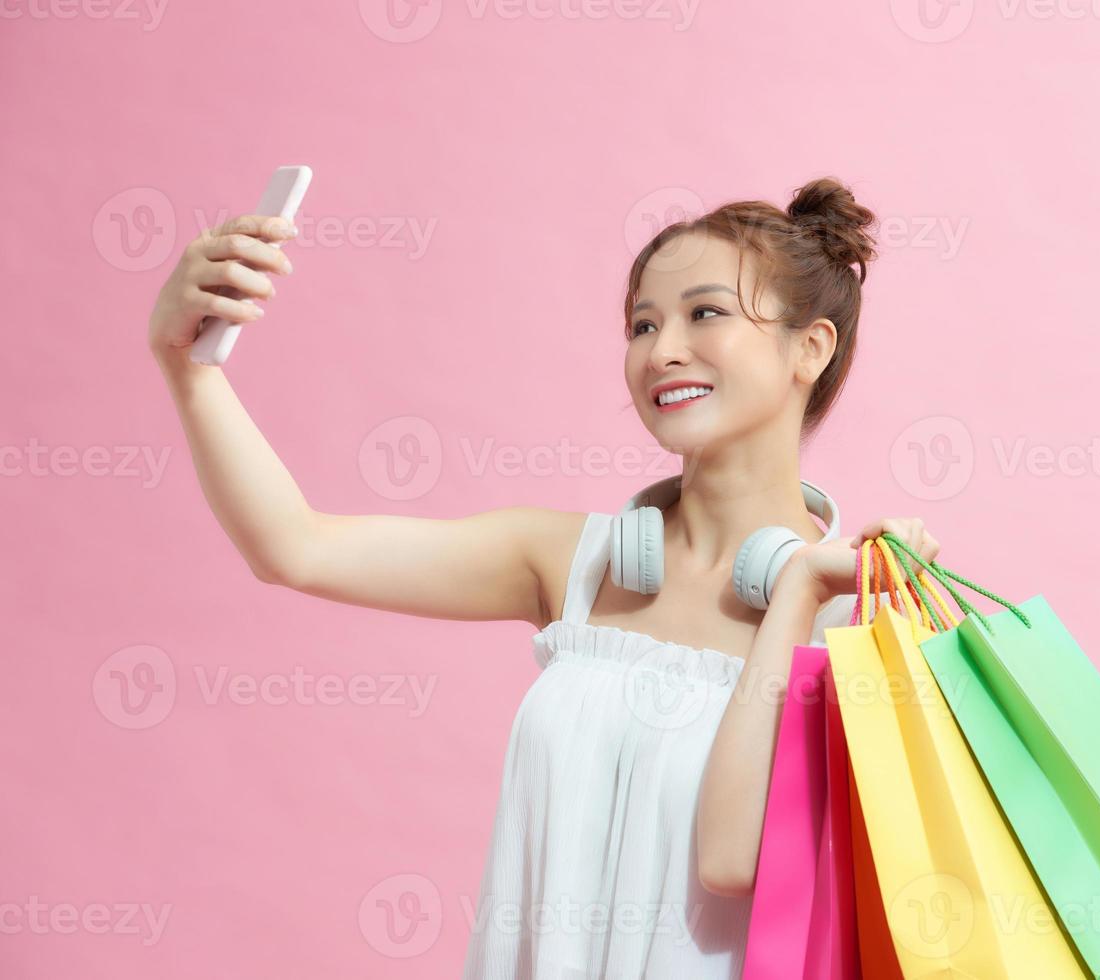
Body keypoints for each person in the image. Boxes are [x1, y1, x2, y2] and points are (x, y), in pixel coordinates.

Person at [146, 175, 942, 978]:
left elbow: (743, 865)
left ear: (810, 347)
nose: (661, 349)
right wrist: (186, 365)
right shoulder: (569, 563)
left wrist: (806, 593)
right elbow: (294, 547)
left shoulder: (865, 616)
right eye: (641, 323)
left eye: (704, 313)